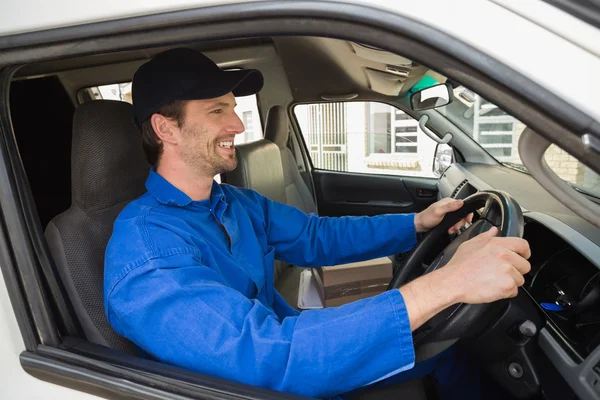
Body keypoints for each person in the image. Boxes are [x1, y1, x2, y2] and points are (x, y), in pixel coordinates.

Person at [104, 48, 531, 399]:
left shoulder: (233, 202)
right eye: (217, 110)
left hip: (302, 364)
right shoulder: (146, 252)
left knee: (447, 352)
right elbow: (271, 358)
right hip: (275, 385)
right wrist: (447, 284)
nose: (236, 124)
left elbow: (316, 236)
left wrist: (417, 223)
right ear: (166, 128)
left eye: (234, 109)